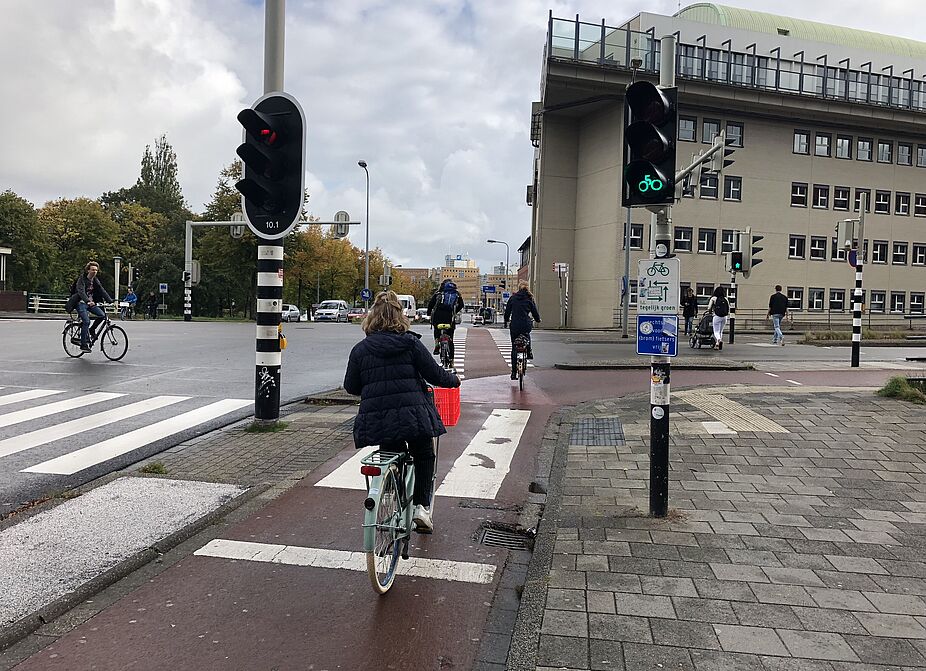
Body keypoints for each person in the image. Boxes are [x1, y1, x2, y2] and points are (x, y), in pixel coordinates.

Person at [343, 291, 460, 533]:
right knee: (424, 453)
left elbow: (351, 387)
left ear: (372, 317)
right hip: (413, 415)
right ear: (400, 316)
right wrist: (453, 380)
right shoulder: (410, 344)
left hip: (378, 419)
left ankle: (389, 489)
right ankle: (421, 508)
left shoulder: (360, 349)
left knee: (389, 450)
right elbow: (434, 374)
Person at [67, 261, 113, 353]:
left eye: (96, 270)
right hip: (81, 303)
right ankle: (83, 345)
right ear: (88, 270)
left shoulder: (95, 280)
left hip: (91, 303)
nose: (94, 272)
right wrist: (87, 301)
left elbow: (101, 290)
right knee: (86, 321)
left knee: (102, 315)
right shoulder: (82, 279)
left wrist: (110, 301)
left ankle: (92, 330)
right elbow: (81, 291)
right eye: (92, 270)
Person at [503, 281, 541, 380]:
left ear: (519, 288)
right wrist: (538, 319)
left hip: (514, 325)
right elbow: (534, 312)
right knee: (527, 335)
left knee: (514, 347)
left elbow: (507, 312)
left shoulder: (513, 298)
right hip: (525, 324)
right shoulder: (529, 298)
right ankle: (529, 351)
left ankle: (513, 373)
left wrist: (506, 320)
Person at [426, 279, 464, 358]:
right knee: (450, 339)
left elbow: (430, 304)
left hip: (438, 316)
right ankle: (451, 360)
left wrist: (429, 314)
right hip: (450, 317)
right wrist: (454, 312)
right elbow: (461, 305)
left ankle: (437, 342)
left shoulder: (438, 294)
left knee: (437, 330)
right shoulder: (456, 294)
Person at [707, 286, 729, 351]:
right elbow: (728, 308)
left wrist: (710, 312)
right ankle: (717, 344)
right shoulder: (726, 299)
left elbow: (709, 307)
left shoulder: (714, 298)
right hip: (724, 317)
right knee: (720, 331)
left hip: (717, 316)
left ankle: (719, 340)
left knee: (716, 331)